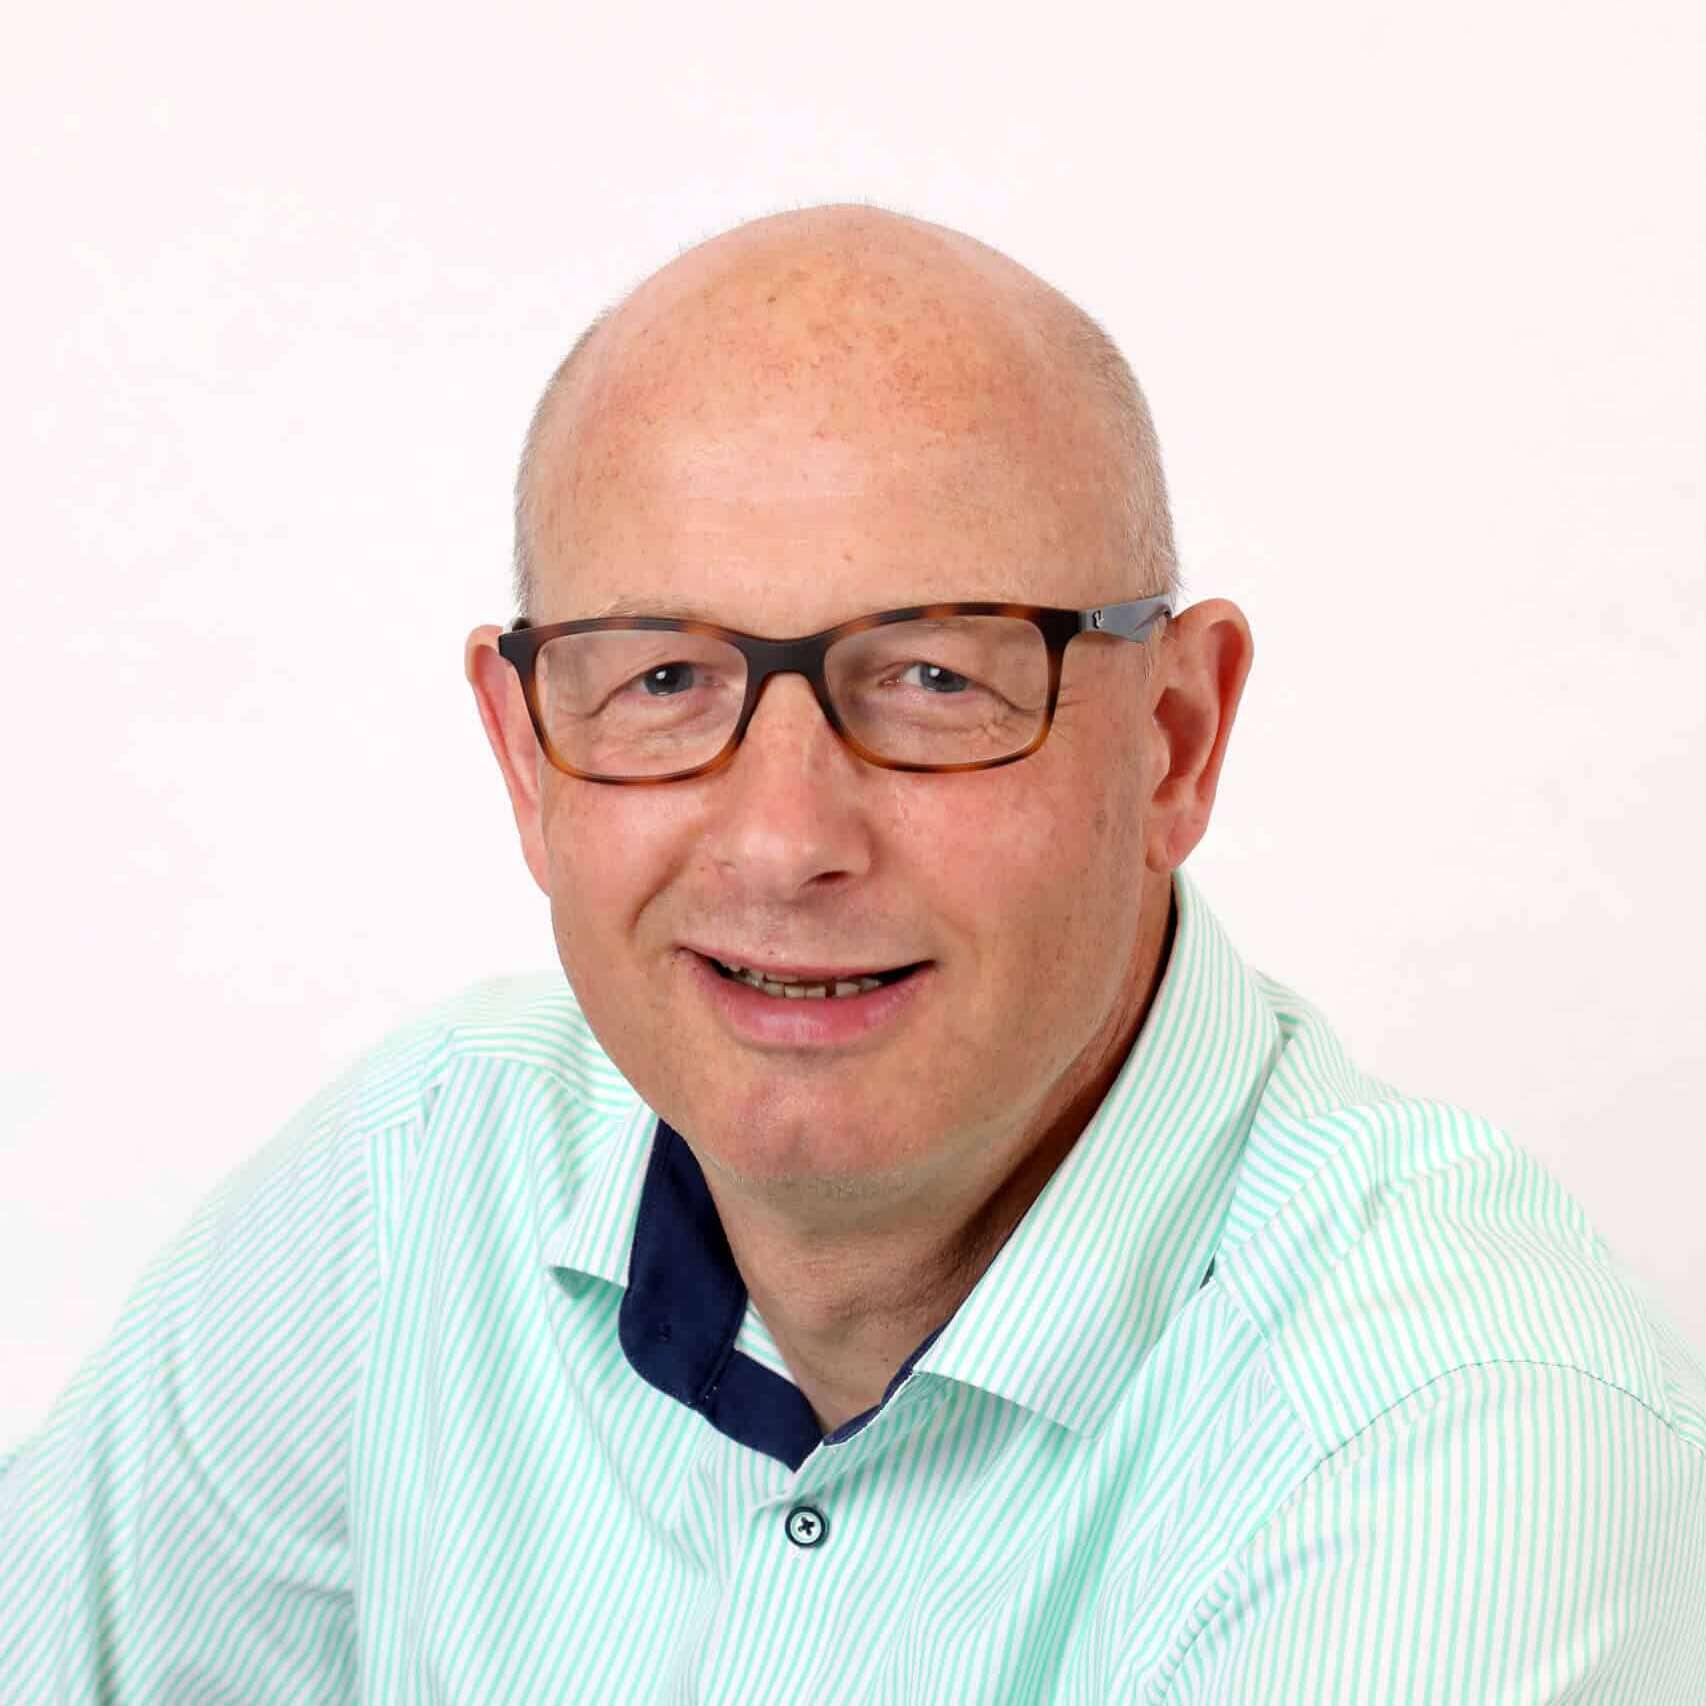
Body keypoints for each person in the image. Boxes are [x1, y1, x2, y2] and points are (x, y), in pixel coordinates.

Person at [3, 203, 1703, 1703]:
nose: (781, 837)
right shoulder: (422, 1181)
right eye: (662, 679)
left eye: (935, 677)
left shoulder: (1456, 1436)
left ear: (1173, 740)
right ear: (525, 757)